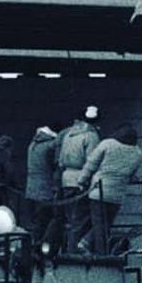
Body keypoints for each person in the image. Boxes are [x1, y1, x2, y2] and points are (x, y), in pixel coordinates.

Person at [78, 125, 142, 255]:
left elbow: (91, 164)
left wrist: (81, 181)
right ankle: (86, 243)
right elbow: (132, 176)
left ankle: (100, 255)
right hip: (117, 195)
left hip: (98, 192)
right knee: (106, 225)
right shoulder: (138, 154)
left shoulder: (107, 144)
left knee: (98, 225)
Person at [57, 106, 101, 253]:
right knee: (81, 220)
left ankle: (68, 251)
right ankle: (74, 253)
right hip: (81, 180)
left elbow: (61, 161)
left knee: (70, 220)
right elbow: (92, 161)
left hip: (66, 179)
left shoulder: (68, 135)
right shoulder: (91, 136)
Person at [24, 124, 61, 251]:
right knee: (47, 220)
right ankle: (42, 247)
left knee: (36, 220)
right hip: (45, 189)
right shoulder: (50, 145)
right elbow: (55, 166)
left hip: (31, 189)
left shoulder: (32, 144)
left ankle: (34, 246)